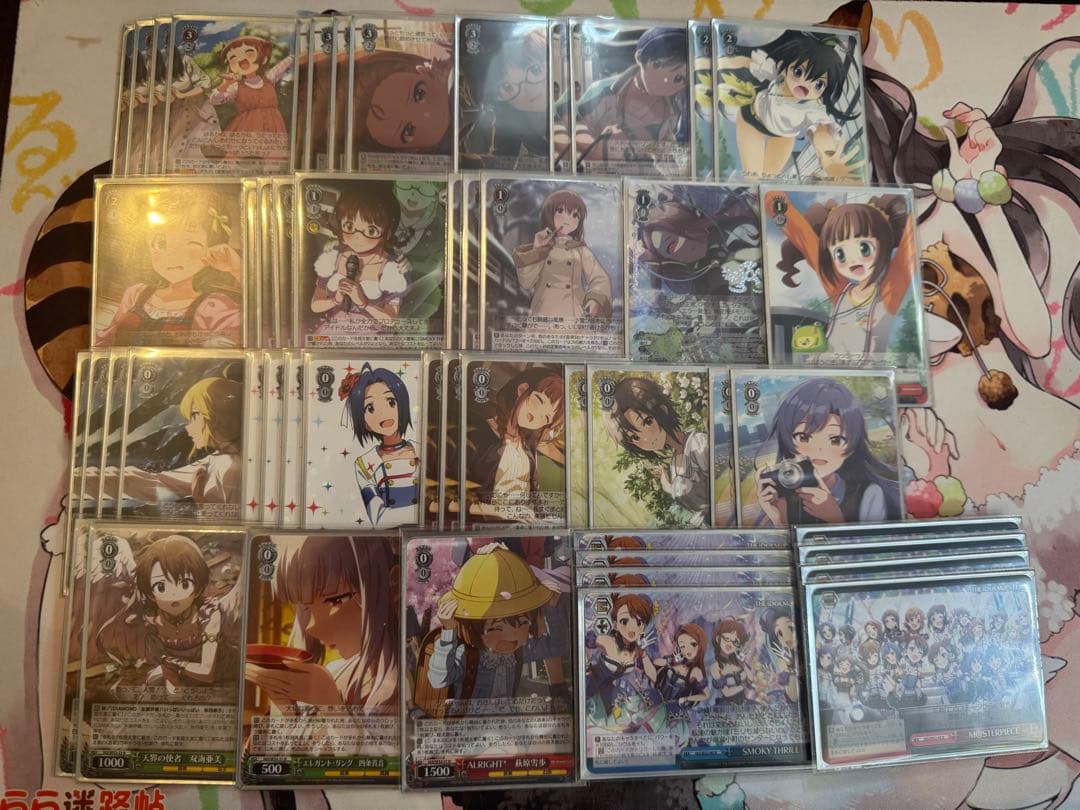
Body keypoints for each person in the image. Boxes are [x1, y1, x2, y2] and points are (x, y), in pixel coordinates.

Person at [244, 535, 399, 712]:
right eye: (306, 608)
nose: (311, 628)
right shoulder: (336, 673)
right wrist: (285, 704)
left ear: (389, 587)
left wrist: (329, 702)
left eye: (334, 600)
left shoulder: (403, 683)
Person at [765, 190, 915, 361]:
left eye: (864, 248)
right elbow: (805, 239)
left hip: (865, 373)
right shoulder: (840, 289)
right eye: (840, 254)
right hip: (825, 367)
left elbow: (908, 249)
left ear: (884, 244)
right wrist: (772, 199)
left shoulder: (889, 293)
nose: (853, 260)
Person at [95, 187, 242, 348]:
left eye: (191, 244)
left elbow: (254, 331)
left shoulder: (214, 307)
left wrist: (237, 269)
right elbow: (108, 339)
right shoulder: (135, 294)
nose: (172, 255)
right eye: (161, 243)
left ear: (213, 248)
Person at [98, 534, 237, 693]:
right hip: (182, 676)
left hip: (225, 674)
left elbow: (207, 672)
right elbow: (167, 670)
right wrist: (173, 680)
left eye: (185, 584)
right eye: (161, 587)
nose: (174, 595)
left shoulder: (208, 614)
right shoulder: (151, 620)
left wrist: (173, 664)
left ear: (198, 588)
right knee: (154, 684)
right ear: (150, 594)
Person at [755, 376, 902, 526]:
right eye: (803, 437)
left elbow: (872, 539)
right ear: (788, 441)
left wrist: (835, 518)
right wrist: (779, 520)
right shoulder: (783, 498)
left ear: (852, 447)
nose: (818, 449)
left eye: (835, 439)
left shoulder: (868, 493)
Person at [715, 29, 859, 179]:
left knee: (766, 179)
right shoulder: (778, 74)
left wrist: (828, 156)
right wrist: (716, 63)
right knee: (752, 177)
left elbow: (821, 132)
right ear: (786, 66)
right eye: (798, 72)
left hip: (783, 137)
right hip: (751, 119)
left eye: (818, 84)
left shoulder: (813, 108)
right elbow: (747, 61)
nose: (806, 84)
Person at [88, 370, 243, 508]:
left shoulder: (230, 468)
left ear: (215, 417)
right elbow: (154, 482)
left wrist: (200, 502)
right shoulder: (217, 461)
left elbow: (228, 528)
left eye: (195, 415)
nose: (189, 427)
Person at [574, 26, 689, 169]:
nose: (681, 85)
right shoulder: (604, 91)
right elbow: (569, 128)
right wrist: (600, 148)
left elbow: (669, 142)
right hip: (604, 174)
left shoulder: (676, 102)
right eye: (677, 78)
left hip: (649, 176)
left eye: (685, 80)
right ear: (640, 59)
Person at [466, 367, 565, 523]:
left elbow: (534, 497)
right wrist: (501, 511)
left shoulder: (527, 447)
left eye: (546, 418)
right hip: (483, 527)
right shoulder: (480, 433)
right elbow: (446, 502)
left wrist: (546, 519)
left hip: (520, 528)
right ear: (522, 389)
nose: (536, 416)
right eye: (539, 401)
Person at [611, 375, 710, 526]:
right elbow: (683, 494)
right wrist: (665, 481)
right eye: (634, 437)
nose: (645, 439)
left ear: (662, 411)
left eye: (647, 422)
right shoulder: (674, 464)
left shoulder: (698, 443)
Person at [311, 183, 411, 324]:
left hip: (371, 334)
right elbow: (315, 306)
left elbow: (390, 320)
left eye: (371, 231)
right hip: (333, 329)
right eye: (349, 226)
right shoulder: (332, 257)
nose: (358, 237)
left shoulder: (391, 269)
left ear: (387, 232)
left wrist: (363, 302)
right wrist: (336, 300)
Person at [512, 189, 613, 322]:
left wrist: (595, 299)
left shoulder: (580, 249)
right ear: (549, 213)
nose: (568, 220)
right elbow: (526, 283)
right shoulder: (543, 246)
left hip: (574, 314)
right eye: (560, 211)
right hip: (543, 314)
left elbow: (600, 277)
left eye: (575, 215)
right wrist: (537, 250)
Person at [339, 363, 418, 528]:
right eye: (370, 408)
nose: (383, 412)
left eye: (391, 402)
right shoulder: (364, 464)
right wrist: (423, 512)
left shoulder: (423, 450)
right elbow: (379, 518)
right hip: (392, 537)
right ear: (365, 423)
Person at [208, 34, 293, 162]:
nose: (241, 60)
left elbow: (287, 62)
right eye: (233, 59)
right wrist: (225, 84)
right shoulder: (236, 86)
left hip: (274, 126)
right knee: (239, 158)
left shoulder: (269, 78)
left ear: (263, 59)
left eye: (249, 54)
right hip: (247, 128)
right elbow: (214, 100)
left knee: (273, 158)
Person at [652, 623, 709, 706]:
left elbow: (706, 695)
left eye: (693, 644)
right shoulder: (675, 660)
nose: (687, 649)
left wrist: (686, 699)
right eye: (683, 646)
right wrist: (672, 661)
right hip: (656, 700)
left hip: (673, 708)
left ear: (701, 645)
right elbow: (656, 662)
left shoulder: (696, 671)